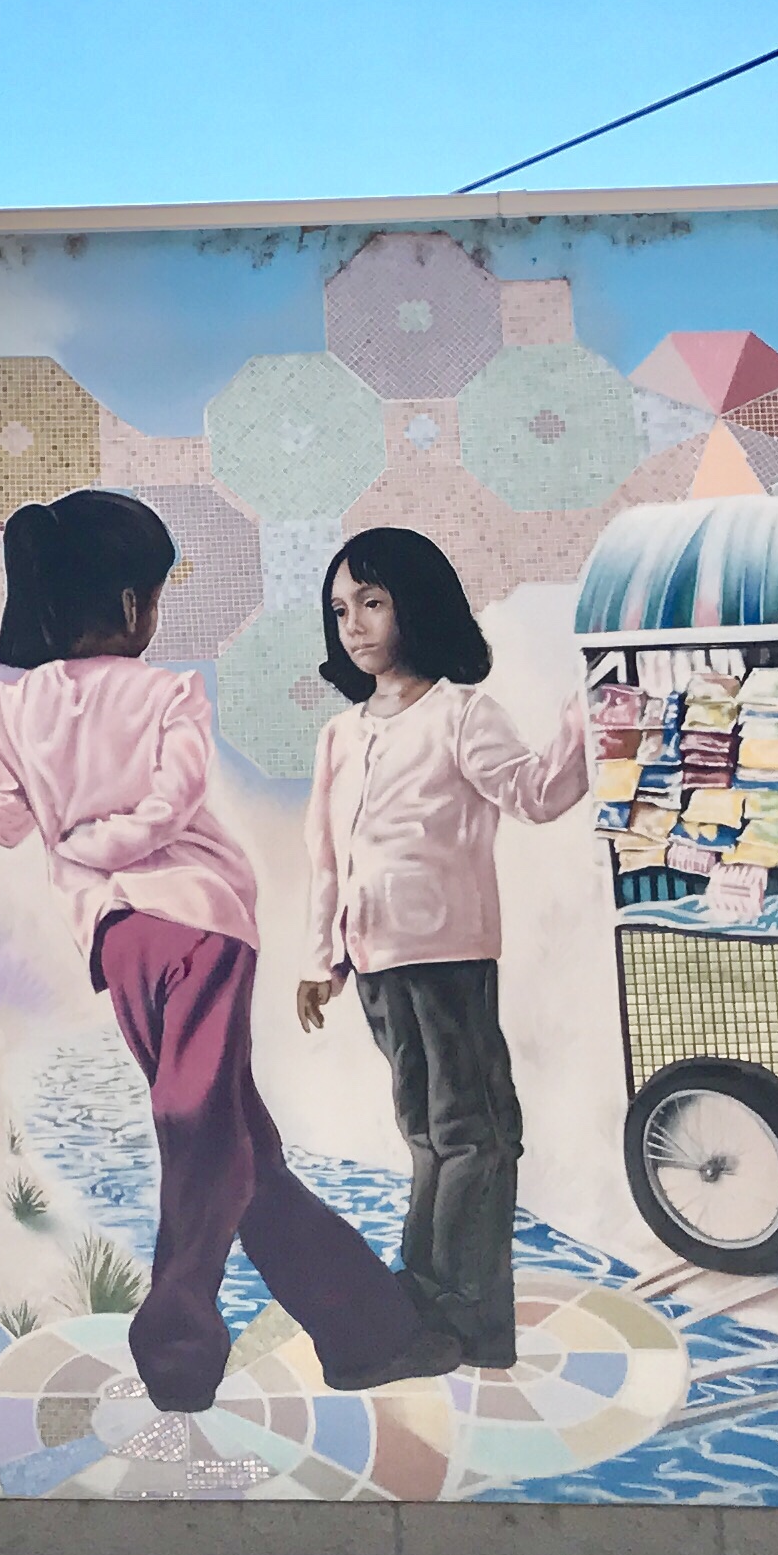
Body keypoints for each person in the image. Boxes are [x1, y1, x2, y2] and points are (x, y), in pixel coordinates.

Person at [0, 489, 455, 1413]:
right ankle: (180, 1327)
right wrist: (96, 843)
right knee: (202, 1130)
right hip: (200, 926)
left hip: (118, 945)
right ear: (129, 607)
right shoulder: (169, 694)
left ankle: (369, 1333)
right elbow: (169, 804)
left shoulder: (10, 708)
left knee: (239, 1145)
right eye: (152, 596)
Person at [292, 526, 593, 1368]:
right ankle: (429, 1296)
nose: (354, 624)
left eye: (374, 603)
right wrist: (322, 958)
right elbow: (325, 854)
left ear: (416, 606)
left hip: (450, 955)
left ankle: (463, 1313)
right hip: (377, 964)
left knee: (475, 1134)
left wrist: (585, 712)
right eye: (341, 609)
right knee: (431, 1132)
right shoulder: (341, 735)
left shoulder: (461, 713)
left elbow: (536, 794)